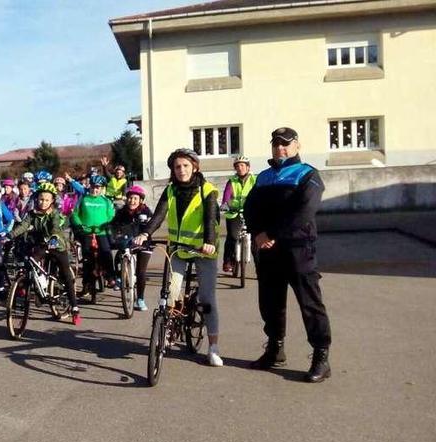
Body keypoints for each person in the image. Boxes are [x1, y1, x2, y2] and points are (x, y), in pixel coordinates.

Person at [244, 127, 333, 383]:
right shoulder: (263, 177)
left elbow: (304, 211)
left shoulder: (308, 174)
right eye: (275, 144)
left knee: (310, 303)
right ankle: (275, 348)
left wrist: (272, 233)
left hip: (298, 249)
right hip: (268, 250)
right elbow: (251, 208)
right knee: (271, 302)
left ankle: (321, 356)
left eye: (285, 144)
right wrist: (258, 232)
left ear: (297, 146)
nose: (280, 148)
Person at [139, 148, 222, 366]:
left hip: (203, 251)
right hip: (177, 249)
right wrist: (145, 233)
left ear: (195, 167)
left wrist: (210, 243)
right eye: (177, 167)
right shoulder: (171, 191)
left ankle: (213, 348)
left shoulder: (208, 190)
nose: (181, 170)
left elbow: (211, 219)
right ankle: (167, 329)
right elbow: (159, 216)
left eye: (185, 165)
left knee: (207, 299)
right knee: (171, 291)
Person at [9, 182, 81, 325]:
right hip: (42, 244)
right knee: (31, 261)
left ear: (52, 201)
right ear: (36, 199)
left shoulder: (54, 213)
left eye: (47, 200)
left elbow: (55, 227)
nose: (43, 202)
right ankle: (30, 287)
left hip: (57, 246)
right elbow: (23, 225)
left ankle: (74, 307)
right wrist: (10, 235)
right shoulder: (32, 213)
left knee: (66, 275)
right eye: (41, 199)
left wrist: (54, 237)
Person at [70, 174, 117, 295]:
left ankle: (110, 276)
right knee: (87, 258)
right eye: (92, 187)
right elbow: (75, 214)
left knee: (106, 252)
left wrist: (108, 224)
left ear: (101, 188)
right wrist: (79, 224)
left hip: (101, 232)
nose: (94, 190)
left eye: (97, 187)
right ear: (89, 186)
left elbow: (111, 215)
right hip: (86, 232)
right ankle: (86, 283)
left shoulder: (106, 201)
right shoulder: (83, 199)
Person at [110, 185, 153, 311]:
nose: (132, 201)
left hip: (144, 244)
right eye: (129, 198)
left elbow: (150, 226)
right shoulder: (122, 212)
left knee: (141, 272)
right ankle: (119, 277)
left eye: (135, 198)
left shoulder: (145, 211)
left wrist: (144, 235)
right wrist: (114, 234)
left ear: (140, 200)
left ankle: (140, 299)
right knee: (119, 255)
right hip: (128, 242)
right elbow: (114, 225)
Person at [221, 156, 257, 273]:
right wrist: (225, 204)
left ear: (248, 167)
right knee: (232, 236)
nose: (240, 168)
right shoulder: (232, 181)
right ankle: (228, 261)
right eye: (237, 166)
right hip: (234, 212)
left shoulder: (254, 180)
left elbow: (260, 194)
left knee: (257, 239)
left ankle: (260, 266)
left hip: (251, 212)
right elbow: (227, 195)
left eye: (242, 165)